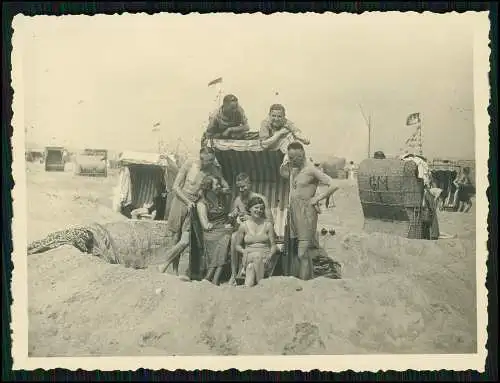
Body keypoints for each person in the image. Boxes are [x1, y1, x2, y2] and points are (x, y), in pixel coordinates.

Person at [157, 147, 230, 280]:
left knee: (185, 240)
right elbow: (175, 187)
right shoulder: (190, 163)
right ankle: (174, 272)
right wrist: (186, 201)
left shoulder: (214, 170)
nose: (209, 163)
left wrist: (218, 191)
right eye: (207, 161)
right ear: (201, 157)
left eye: (211, 160)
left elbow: (226, 187)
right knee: (175, 237)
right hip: (180, 200)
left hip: (195, 204)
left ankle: (166, 265)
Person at [280, 142, 339, 280]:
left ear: (302, 155)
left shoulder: (311, 170)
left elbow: (334, 184)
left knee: (302, 252)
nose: (292, 160)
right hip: (294, 212)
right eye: (290, 157)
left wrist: (317, 198)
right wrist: (285, 162)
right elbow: (283, 173)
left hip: (306, 213)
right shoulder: (294, 169)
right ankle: (307, 282)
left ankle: (305, 285)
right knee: (298, 252)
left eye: (294, 158)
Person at [227, 173, 275, 286]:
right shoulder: (237, 200)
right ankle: (233, 274)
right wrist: (233, 216)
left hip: (259, 231)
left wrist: (251, 218)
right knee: (234, 237)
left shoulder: (260, 199)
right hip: (245, 232)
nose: (241, 189)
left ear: (250, 184)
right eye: (238, 187)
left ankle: (249, 272)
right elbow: (234, 223)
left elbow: (270, 221)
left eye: (243, 186)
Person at [196, 175, 233, 285]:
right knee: (226, 239)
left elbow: (229, 191)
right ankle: (214, 278)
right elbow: (205, 225)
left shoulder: (220, 198)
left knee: (227, 238)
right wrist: (223, 227)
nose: (219, 187)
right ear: (209, 187)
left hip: (224, 231)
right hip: (211, 233)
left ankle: (210, 277)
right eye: (216, 185)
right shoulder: (202, 203)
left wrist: (232, 216)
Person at [233, 196, 278, 287]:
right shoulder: (243, 226)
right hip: (248, 255)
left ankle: (248, 287)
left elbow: (273, 246)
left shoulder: (268, 225)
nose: (259, 210)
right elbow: (237, 245)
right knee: (256, 256)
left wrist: (270, 256)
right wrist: (243, 251)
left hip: (265, 258)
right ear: (249, 209)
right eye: (256, 207)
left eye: (261, 208)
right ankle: (261, 284)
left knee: (251, 268)